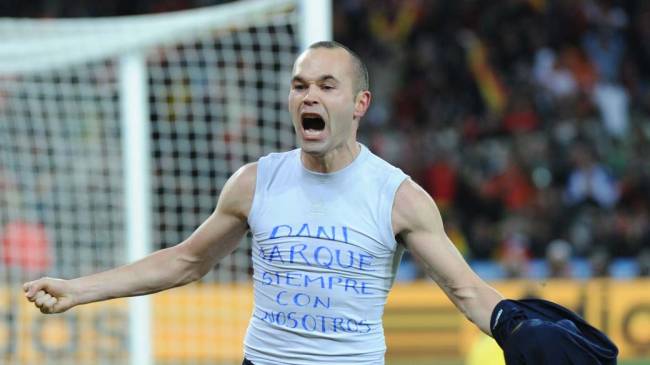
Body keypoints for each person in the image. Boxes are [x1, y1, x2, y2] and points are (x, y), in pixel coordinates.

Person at [23, 41, 617, 365]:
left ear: (359, 104)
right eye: (300, 85)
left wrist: (512, 324)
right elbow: (187, 261)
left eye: (326, 86)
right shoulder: (256, 182)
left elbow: (467, 291)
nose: (309, 95)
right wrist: (80, 289)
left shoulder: (399, 197)